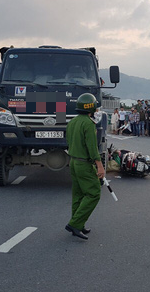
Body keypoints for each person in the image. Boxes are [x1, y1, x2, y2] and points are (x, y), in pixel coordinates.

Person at [65, 93, 105, 240]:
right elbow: (92, 148)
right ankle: (75, 224)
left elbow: (68, 141)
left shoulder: (72, 122)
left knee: (78, 194)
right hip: (83, 163)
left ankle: (78, 224)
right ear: (92, 107)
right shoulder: (88, 123)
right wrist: (99, 166)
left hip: (73, 162)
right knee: (94, 193)